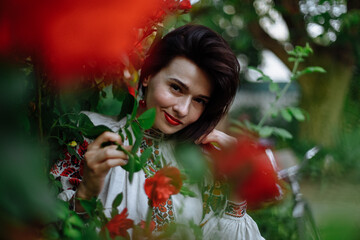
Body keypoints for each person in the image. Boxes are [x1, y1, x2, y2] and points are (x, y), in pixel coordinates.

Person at [51, 24, 264, 239]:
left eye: (199, 100)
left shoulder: (201, 162)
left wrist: (237, 184)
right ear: (148, 76)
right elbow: (47, 228)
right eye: (176, 88)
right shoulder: (91, 134)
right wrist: (87, 190)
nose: (182, 109)